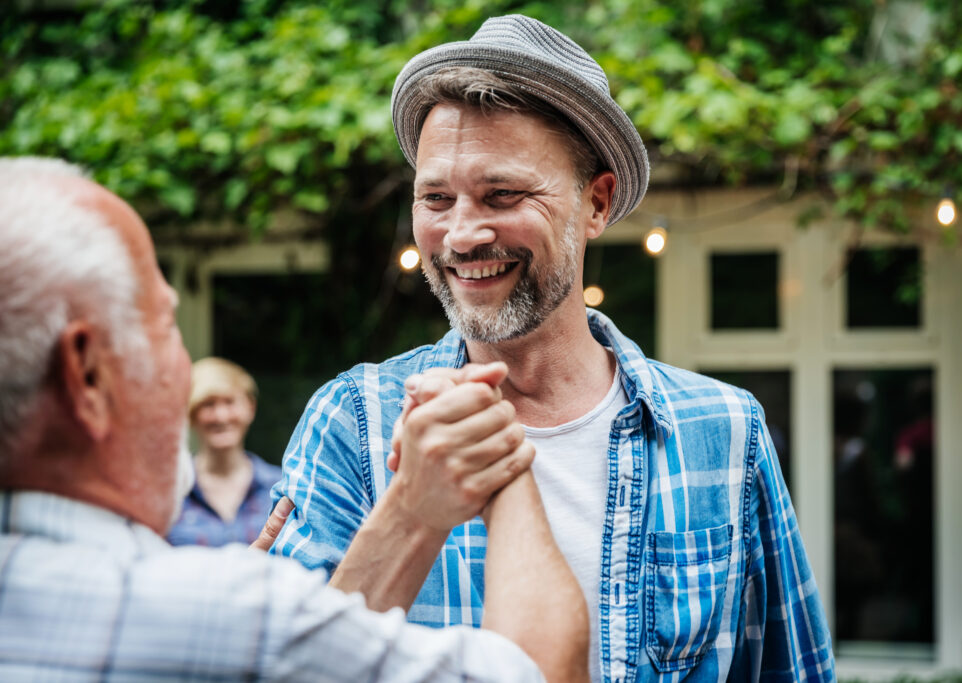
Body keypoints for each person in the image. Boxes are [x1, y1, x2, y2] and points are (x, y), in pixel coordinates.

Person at [268, 14, 835, 682]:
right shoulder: (353, 420)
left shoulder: (723, 431)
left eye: (501, 193)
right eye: (436, 198)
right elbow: (285, 667)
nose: (460, 235)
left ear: (596, 203)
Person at [0, 156, 589, 681]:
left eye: (504, 194)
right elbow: (540, 672)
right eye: (165, 328)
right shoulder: (227, 622)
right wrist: (493, 446)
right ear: (89, 377)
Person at [167, 356, 282, 547]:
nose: (221, 417)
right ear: (191, 413)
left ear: (250, 408)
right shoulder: (172, 491)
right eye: (208, 404)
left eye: (229, 402)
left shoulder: (280, 487)